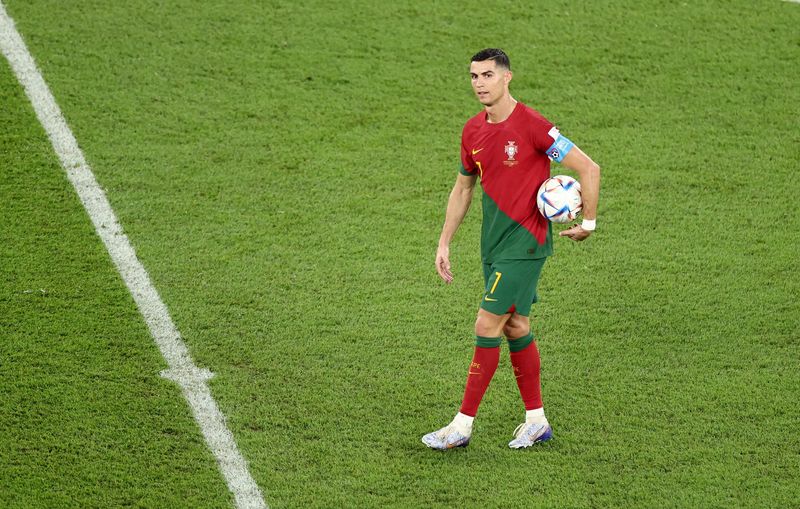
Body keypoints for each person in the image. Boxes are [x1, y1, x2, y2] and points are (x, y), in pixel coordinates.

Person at [422, 48, 601, 450]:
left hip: (526, 244)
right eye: (473, 76)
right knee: (516, 325)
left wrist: (587, 222)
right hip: (493, 245)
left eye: (487, 75)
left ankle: (461, 426)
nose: (480, 83)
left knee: (487, 324)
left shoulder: (534, 126)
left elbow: (589, 168)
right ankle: (536, 420)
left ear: (507, 78)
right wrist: (444, 241)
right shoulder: (472, 131)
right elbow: (463, 187)